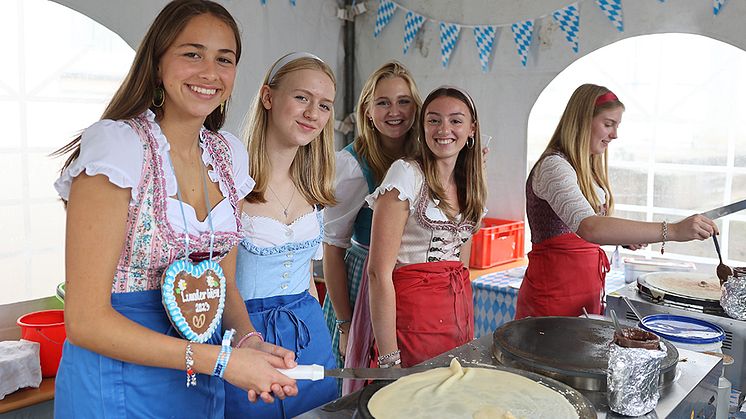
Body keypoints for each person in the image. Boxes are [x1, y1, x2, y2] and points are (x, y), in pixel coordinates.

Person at [52, 2, 297, 417]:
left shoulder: (227, 155)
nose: (209, 72)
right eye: (192, 53)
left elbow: (224, 284)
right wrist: (221, 361)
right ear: (157, 61)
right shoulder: (118, 147)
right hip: (117, 380)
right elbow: (85, 320)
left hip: (197, 376)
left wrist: (246, 343)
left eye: (225, 59)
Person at [515, 83, 718, 319]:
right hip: (551, 298)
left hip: (582, 294)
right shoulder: (554, 167)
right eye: (608, 124)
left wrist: (624, 237)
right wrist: (672, 230)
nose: (614, 135)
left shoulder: (586, 168)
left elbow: (587, 228)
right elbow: (590, 227)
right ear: (581, 121)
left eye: (616, 125)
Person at [223, 52, 338, 418]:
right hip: (245, 332)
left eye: (324, 105)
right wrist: (243, 339)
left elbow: (306, 278)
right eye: (302, 97)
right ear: (268, 97)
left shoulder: (314, 186)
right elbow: (220, 282)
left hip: (309, 331)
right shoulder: (231, 182)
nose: (312, 113)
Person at [366, 86, 487, 369]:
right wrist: (388, 359)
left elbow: (461, 264)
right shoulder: (406, 174)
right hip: (410, 321)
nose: (444, 129)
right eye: (434, 120)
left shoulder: (472, 184)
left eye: (456, 120)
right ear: (422, 126)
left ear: (472, 128)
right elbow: (377, 273)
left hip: (456, 317)